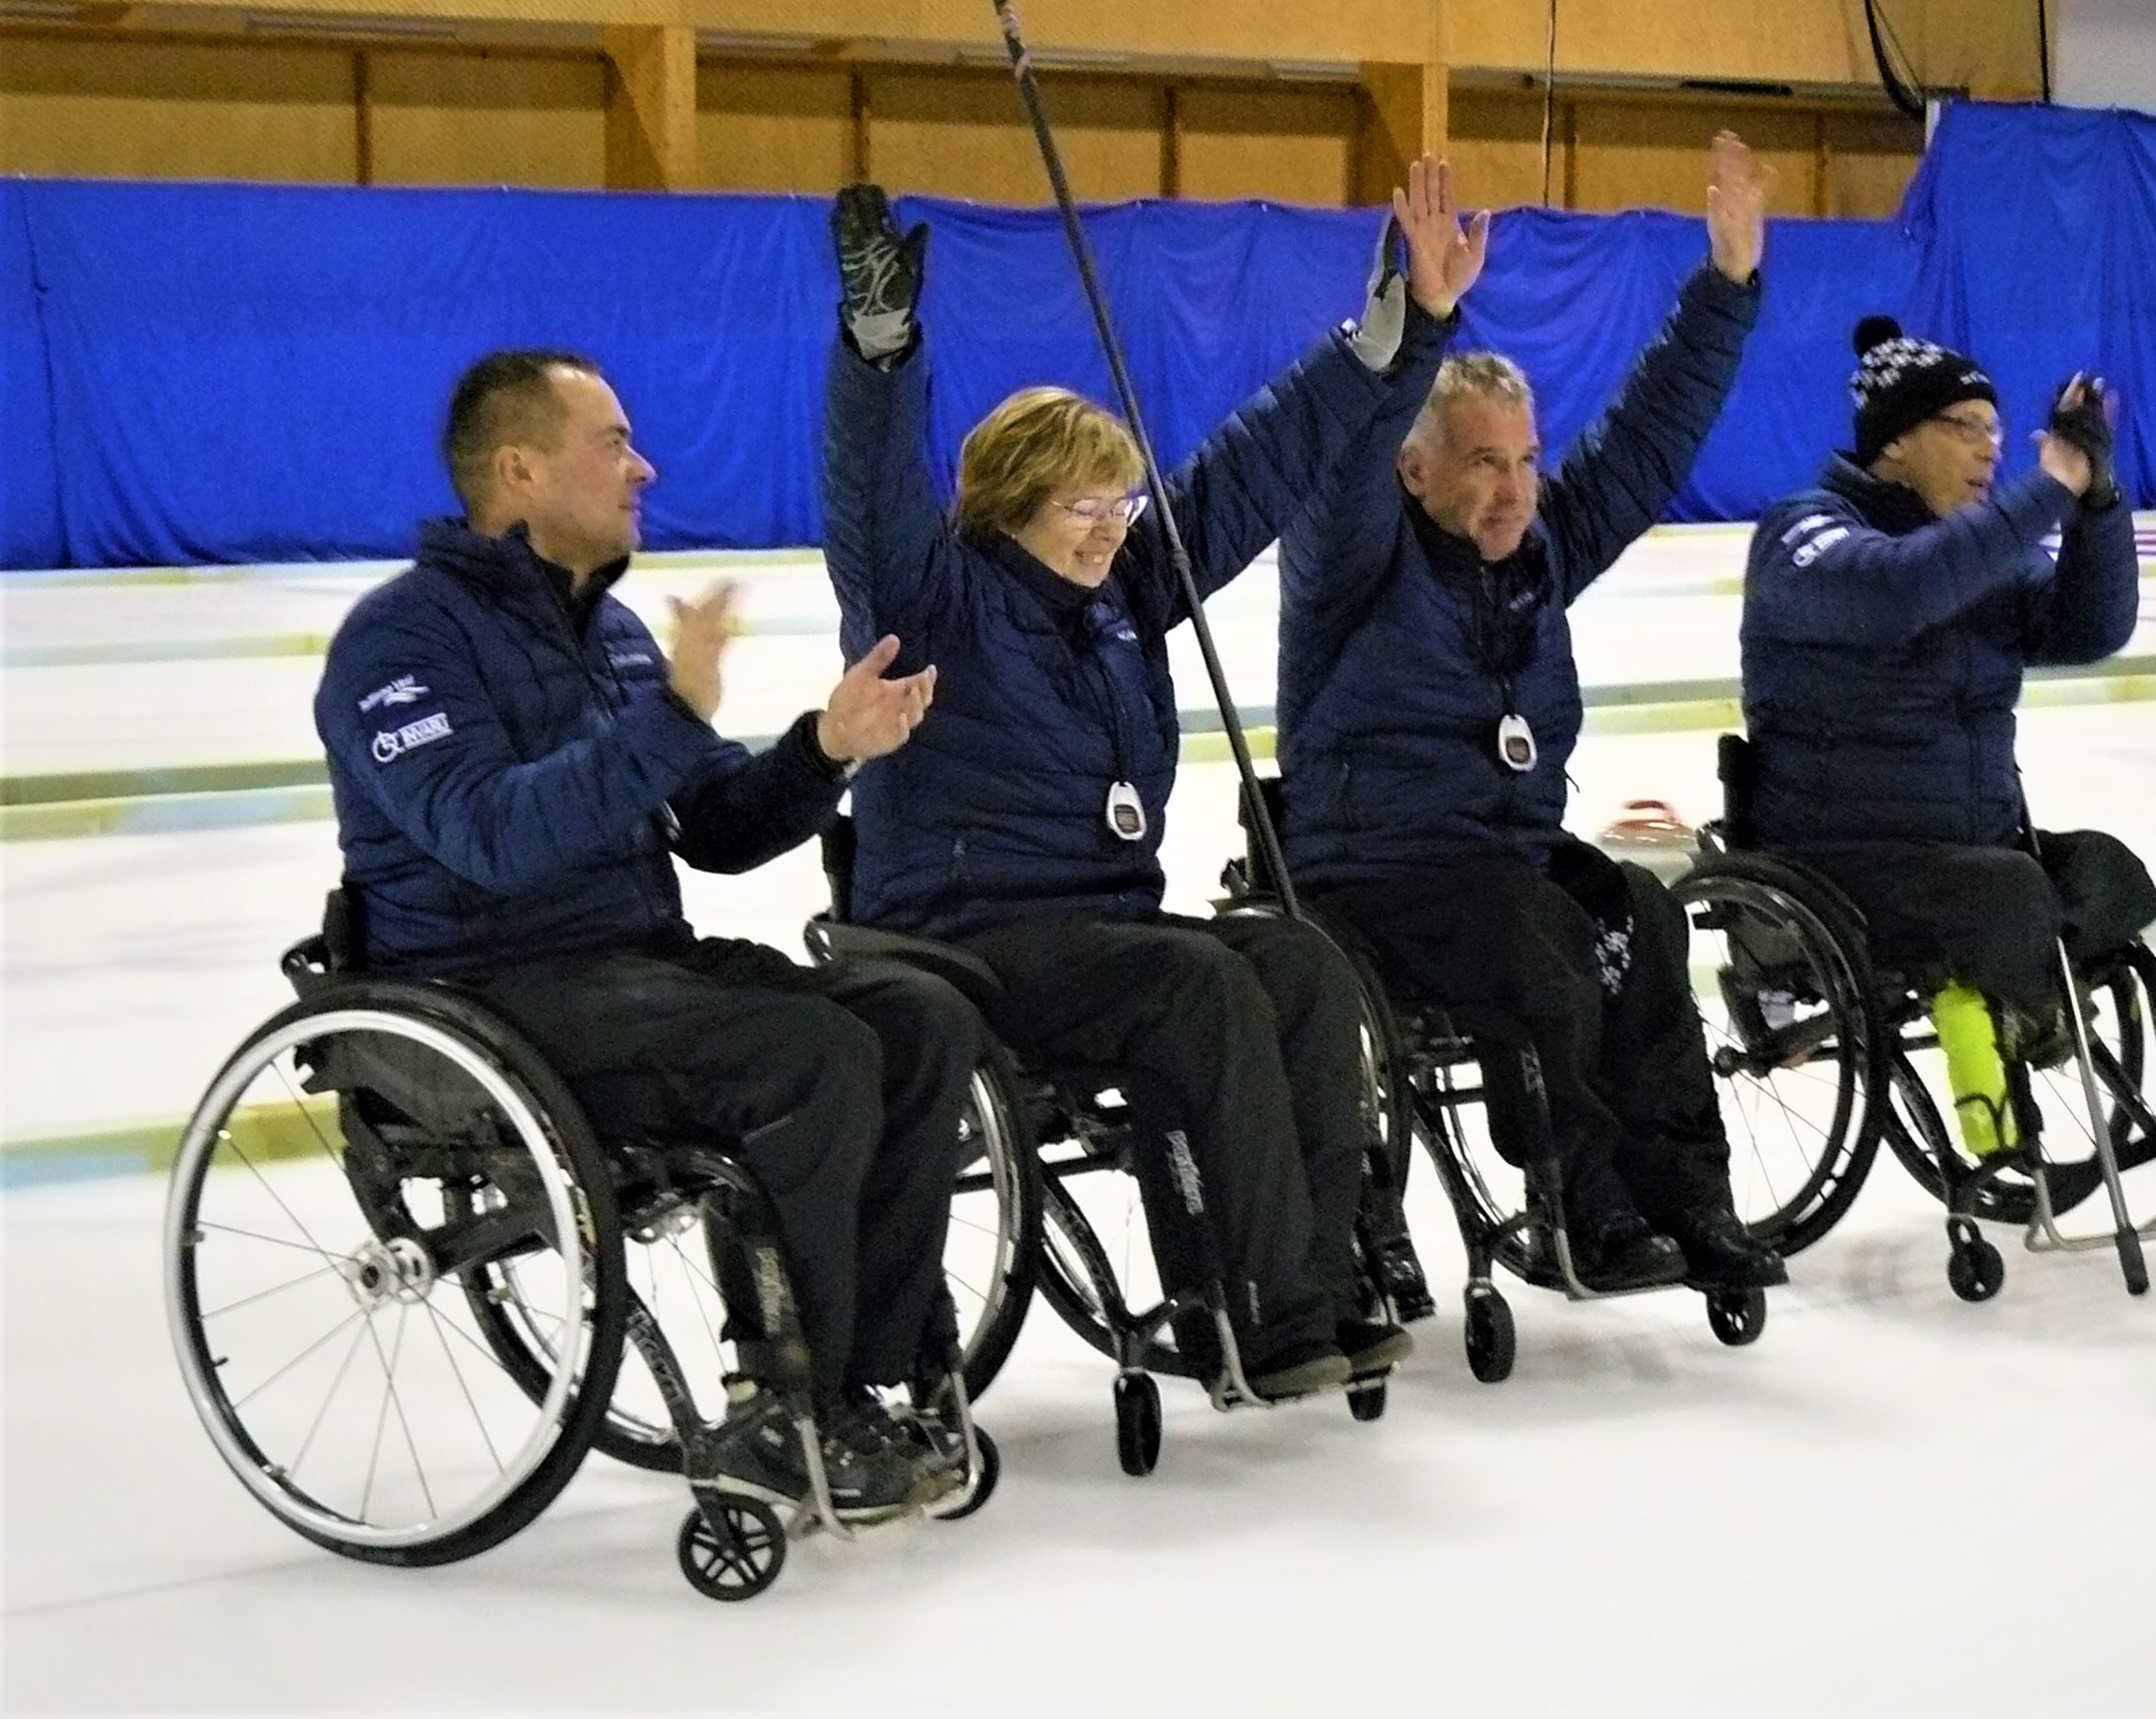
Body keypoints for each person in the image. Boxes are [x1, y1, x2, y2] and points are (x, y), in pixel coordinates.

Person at [820, 162, 1487, 1402]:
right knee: (1195, 986)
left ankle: (1331, 1273)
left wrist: (1397, 336)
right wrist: (878, 348)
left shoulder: (1124, 594)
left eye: (1119, 499)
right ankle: (1256, 1307)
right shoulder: (932, 599)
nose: (1108, 523)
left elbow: (1257, 464)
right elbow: (869, 495)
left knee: (1297, 962)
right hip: (967, 941)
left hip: (1107, 931)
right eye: (1080, 502)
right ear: (1009, 504)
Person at [315, 348, 989, 1521]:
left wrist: (825, 748)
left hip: (632, 971)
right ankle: (784, 1404)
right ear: (519, 468)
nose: (645, 467)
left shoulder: (611, 632)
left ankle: (872, 1377)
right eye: (613, 442)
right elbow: (489, 837)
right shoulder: (398, 646)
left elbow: (715, 831)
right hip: (481, 995)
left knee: (918, 1016)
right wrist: (669, 718)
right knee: (804, 1055)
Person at [1272, 132, 1787, 1297]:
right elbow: (1347, 452)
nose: (1512, 489)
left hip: (1502, 857)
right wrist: (1416, 319)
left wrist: (1728, 289)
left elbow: (1648, 439)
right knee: (1543, 951)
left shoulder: (1537, 549)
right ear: (1414, 470)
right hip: (1378, 867)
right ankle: (1585, 1214)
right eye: (1481, 464)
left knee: (1643, 923)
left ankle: (1690, 1203)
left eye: (1526, 460)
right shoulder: (1350, 557)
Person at [1739, 316, 2156, 1157]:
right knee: (2007, 895)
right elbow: (1900, 591)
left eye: (1998, 432)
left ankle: (2018, 1001)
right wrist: (2046, 490)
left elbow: (2091, 627)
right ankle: (2003, 1044)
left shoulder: (1983, 555)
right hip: (1844, 856)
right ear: (1895, 443)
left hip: (1970, 848)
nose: (1988, 450)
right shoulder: (1804, 533)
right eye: (1965, 428)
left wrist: (2099, 504)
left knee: (2105, 874)